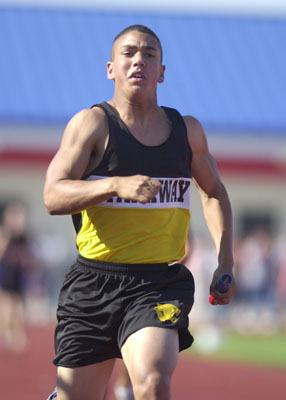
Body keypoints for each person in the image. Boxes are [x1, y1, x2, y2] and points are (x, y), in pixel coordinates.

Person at [44, 24, 236, 400]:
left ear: (162, 71)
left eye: (150, 54)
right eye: (129, 53)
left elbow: (213, 192)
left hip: (158, 283)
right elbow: (52, 195)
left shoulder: (187, 132)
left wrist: (225, 260)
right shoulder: (93, 125)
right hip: (94, 282)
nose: (139, 61)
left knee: (151, 381)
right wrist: (115, 185)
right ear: (111, 68)